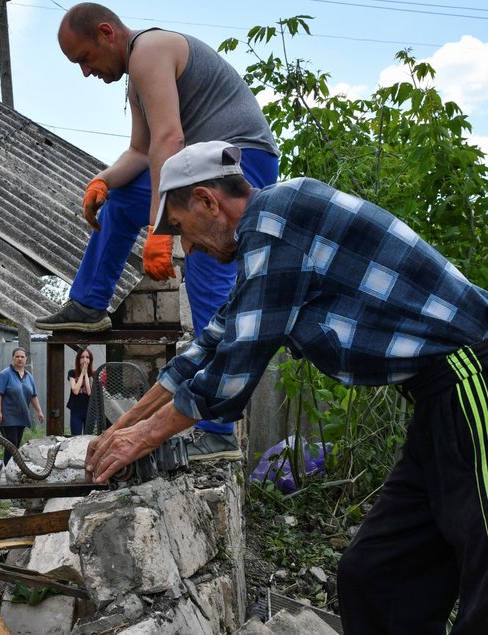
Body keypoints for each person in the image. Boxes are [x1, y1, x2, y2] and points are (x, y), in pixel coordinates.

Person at [86, 140, 488, 633]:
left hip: (472, 377)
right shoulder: (269, 236)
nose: (186, 248)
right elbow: (214, 338)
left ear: (209, 202)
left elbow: (233, 371)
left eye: (181, 230)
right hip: (436, 398)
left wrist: (143, 438)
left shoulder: (276, 220)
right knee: (376, 575)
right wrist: (125, 425)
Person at [37, 2, 279, 460]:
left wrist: (163, 230)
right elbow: (141, 152)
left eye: (85, 58)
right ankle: (89, 303)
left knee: (208, 279)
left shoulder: (149, 51)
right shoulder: (138, 74)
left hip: (240, 164)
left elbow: (170, 142)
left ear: (107, 33)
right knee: (120, 200)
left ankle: (218, 428)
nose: (86, 72)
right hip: (204, 165)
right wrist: (104, 179)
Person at [0, 347, 45, 464]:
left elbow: (33, 396)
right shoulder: (5, 374)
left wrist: (39, 411)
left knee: (15, 445)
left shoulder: (29, 376)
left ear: (26, 359)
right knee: (11, 444)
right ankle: (8, 470)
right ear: (13, 358)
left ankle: (13, 469)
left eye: (22, 356)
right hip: (7, 416)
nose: (20, 359)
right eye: (17, 356)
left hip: (21, 416)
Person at [67, 347, 95, 436]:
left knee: (88, 438)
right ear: (78, 359)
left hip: (89, 410)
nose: (85, 360)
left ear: (90, 360)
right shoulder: (72, 373)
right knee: (76, 437)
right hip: (76, 410)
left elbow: (89, 392)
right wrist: (82, 373)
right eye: (82, 357)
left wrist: (86, 373)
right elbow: (75, 390)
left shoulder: (94, 374)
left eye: (87, 357)